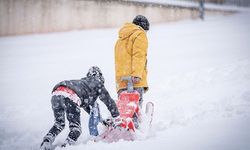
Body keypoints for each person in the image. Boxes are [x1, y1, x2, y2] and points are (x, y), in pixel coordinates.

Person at [40, 66, 121, 150]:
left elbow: (90, 111)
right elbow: (109, 101)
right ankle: (65, 147)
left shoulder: (83, 85)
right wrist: (117, 117)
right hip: (71, 95)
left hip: (56, 94)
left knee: (59, 124)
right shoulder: (97, 83)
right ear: (100, 77)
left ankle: (46, 142)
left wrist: (103, 121)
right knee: (76, 129)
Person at [114, 15, 150, 128]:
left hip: (121, 81)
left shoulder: (120, 39)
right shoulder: (140, 34)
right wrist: (137, 74)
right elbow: (139, 55)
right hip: (135, 80)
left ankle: (123, 130)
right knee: (135, 109)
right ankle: (135, 131)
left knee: (124, 110)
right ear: (143, 27)